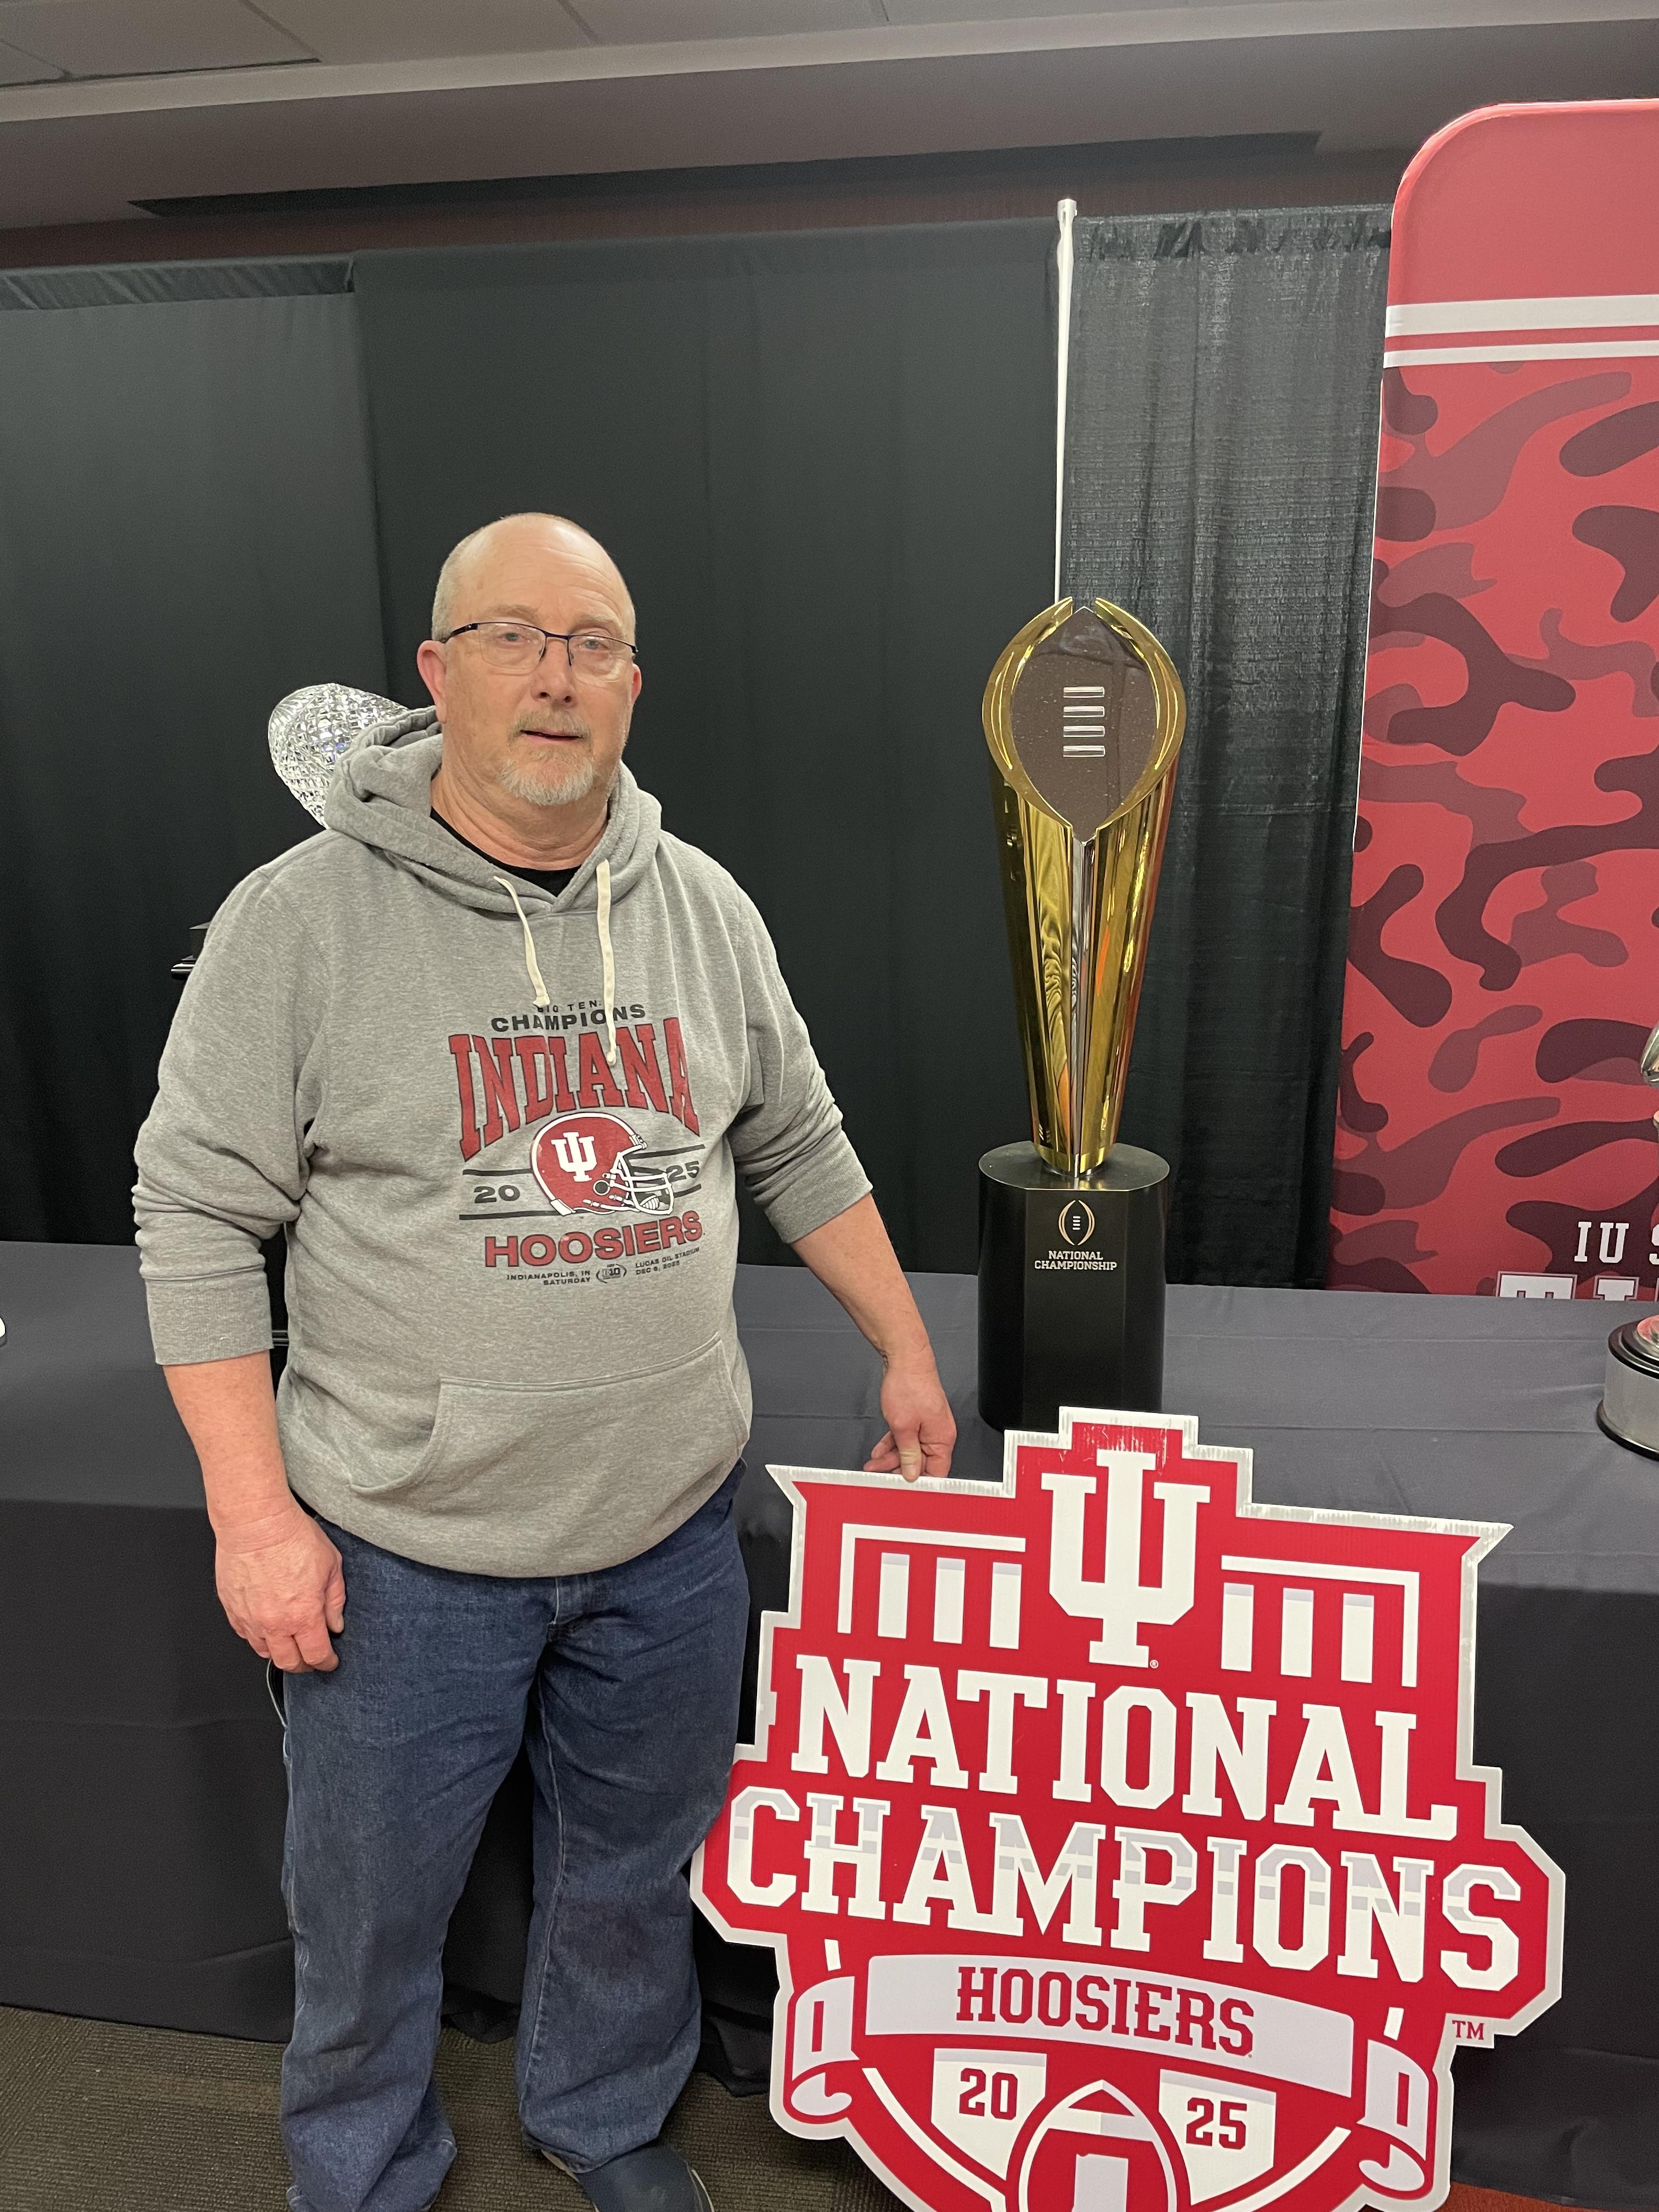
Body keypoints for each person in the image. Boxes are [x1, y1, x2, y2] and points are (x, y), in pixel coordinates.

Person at [133, 512, 957, 2212]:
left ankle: (604, 2117)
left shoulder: (703, 906)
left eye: (593, 644)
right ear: (438, 673)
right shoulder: (299, 922)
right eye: (513, 637)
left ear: (633, 684)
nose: (556, 677)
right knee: (368, 1911)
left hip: (667, 1530)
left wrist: (904, 1347)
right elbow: (198, 1213)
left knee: (637, 1875)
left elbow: (797, 1138)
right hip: (403, 1549)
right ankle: (360, 2167)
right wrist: (253, 1516)